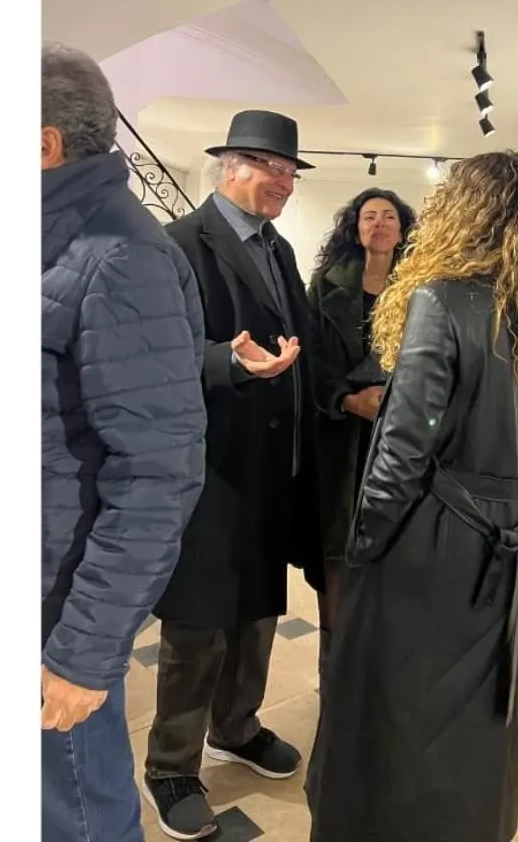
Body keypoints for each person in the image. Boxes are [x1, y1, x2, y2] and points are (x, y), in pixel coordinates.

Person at [306, 150, 518, 842]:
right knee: (488, 701)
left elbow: (405, 445)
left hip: (440, 536)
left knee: (407, 701)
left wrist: (365, 545)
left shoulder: (439, 297)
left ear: (462, 211)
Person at [41, 42, 208, 842]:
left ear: (44, 144)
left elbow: (156, 476)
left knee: (79, 817)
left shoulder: (121, 255)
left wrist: (85, 652)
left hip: (55, 615)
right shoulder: (51, 238)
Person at [143, 109, 326, 841]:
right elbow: (150, 356)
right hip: (209, 469)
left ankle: (237, 727)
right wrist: (228, 361)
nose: (283, 181)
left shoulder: (278, 248)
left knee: (256, 611)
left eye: (289, 171)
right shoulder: (178, 245)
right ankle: (170, 767)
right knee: (199, 624)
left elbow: (302, 340)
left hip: (270, 468)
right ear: (229, 167)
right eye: (269, 167)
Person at [305, 187, 417, 675]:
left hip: (403, 438)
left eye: (389, 216)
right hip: (339, 439)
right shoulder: (325, 285)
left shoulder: (424, 287)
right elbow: (309, 360)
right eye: (369, 216)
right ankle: (335, 675)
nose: (379, 224)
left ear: (402, 229)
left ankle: (384, 673)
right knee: (337, 552)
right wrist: (348, 399)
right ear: (355, 229)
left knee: (397, 549)